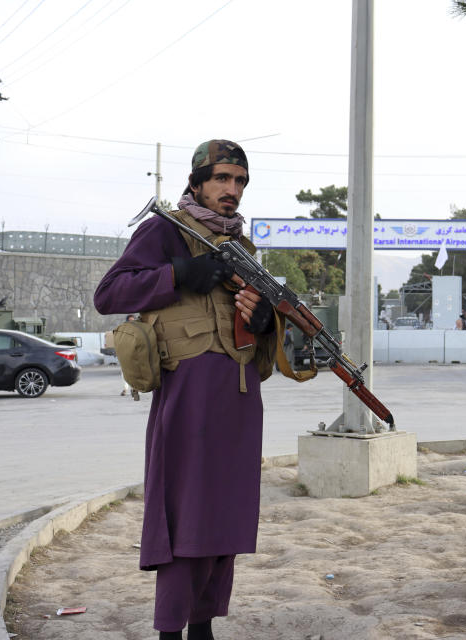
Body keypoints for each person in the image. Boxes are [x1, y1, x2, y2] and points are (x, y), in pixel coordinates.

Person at [94, 139, 280, 640]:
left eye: (240, 181)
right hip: (188, 395)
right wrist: (181, 273)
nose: (232, 190)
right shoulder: (165, 231)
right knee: (185, 516)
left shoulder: (244, 248)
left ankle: (203, 627)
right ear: (196, 182)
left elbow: (256, 329)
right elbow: (109, 294)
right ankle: (169, 631)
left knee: (227, 517)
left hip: (240, 396)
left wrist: (262, 322)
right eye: (222, 178)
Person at [120, 313, 140, 400]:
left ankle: (134, 389)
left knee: (135, 373)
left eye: (133, 321)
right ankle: (125, 389)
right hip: (125, 353)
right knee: (125, 372)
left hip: (136, 354)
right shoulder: (123, 330)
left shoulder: (138, 330)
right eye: (130, 321)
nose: (132, 322)